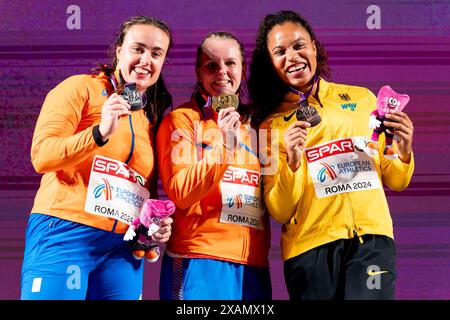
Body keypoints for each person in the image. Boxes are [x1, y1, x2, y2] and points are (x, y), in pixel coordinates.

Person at [248, 10, 414, 300]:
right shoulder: (271, 127)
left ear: (313, 46)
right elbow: (280, 210)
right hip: (309, 252)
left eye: (299, 46)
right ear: (271, 63)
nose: (293, 57)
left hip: (371, 242)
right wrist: (294, 162)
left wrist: (403, 147)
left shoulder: (363, 99)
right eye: (280, 52)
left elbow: (396, 179)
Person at [21, 16, 174, 300]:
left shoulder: (148, 118)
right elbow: (41, 156)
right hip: (66, 230)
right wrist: (99, 133)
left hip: (121, 249)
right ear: (119, 51)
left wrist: (153, 226)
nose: (145, 60)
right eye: (137, 49)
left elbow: (143, 190)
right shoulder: (79, 88)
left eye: (156, 53)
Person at [156, 31, 271, 300]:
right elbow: (181, 192)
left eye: (230, 63)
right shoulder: (181, 120)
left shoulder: (257, 125)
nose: (222, 72)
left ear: (242, 69)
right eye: (211, 65)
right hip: (199, 258)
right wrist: (225, 147)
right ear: (198, 71)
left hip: (253, 265)